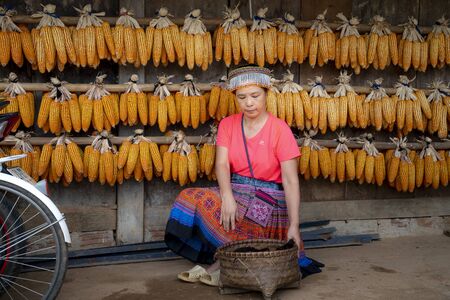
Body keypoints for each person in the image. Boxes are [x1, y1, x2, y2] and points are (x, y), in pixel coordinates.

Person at [164, 65, 323, 286]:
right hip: (237, 190)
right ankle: (224, 259)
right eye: (242, 97)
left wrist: (294, 225)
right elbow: (221, 164)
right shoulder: (228, 125)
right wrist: (227, 196)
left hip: (269, 199)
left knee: (252, 223)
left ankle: (218, 265)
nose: (249, 103)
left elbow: (290, 180)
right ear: (235, 98)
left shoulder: (280, 129)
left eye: (255, 96)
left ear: (267, 95)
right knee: (189, 197)